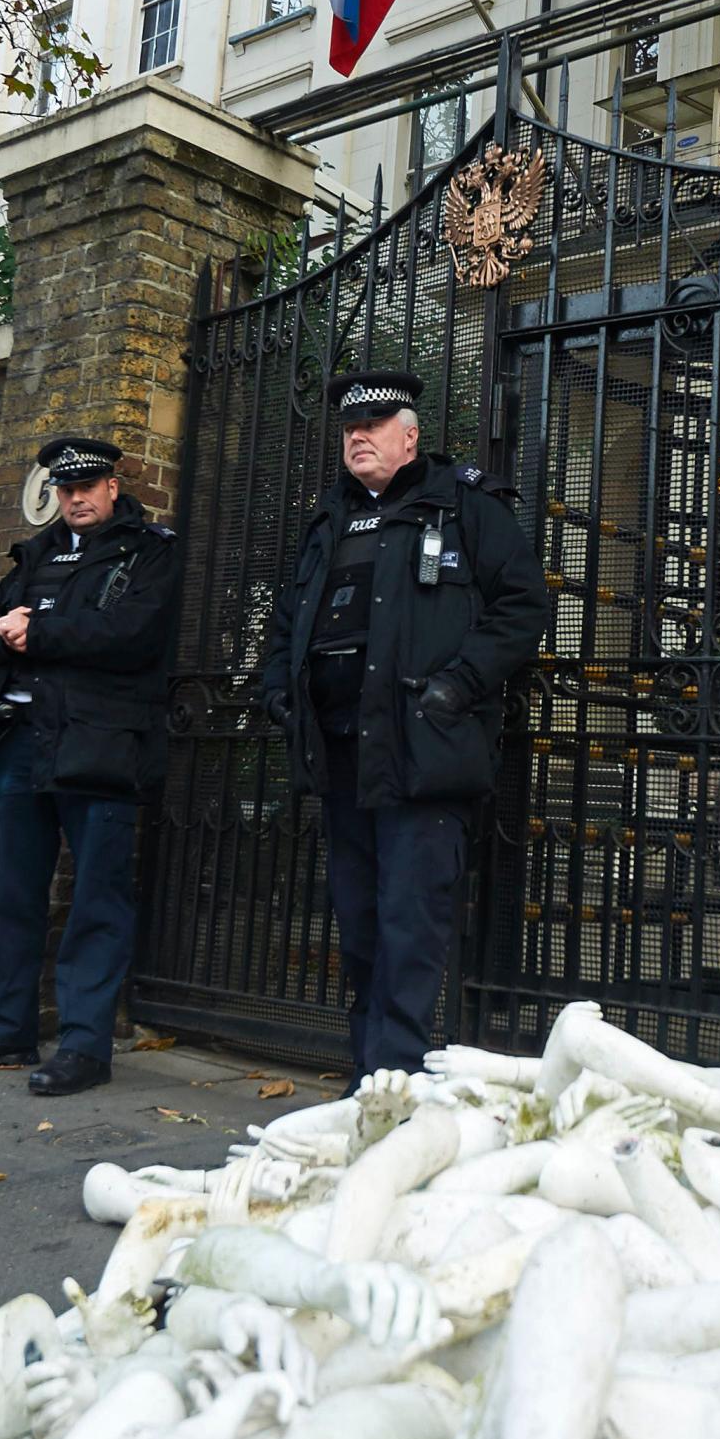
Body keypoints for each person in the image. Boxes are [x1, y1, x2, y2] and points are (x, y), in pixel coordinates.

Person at [259, 371, 547, 1081]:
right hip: (341, 750)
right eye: (350, 426)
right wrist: (278, 691)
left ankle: (393, 1077)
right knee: (358, 923)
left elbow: (522, 607)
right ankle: (371, 1075)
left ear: (410, 435)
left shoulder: (465, 507)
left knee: (408, 925)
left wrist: (459, 684)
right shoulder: (329, 519)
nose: (358, 434)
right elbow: (288, 620)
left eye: (375, 422)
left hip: (424, 750)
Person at [0, 436, 182, 1097]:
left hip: (98, 745)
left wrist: (35, 631)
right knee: (15, 896)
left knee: (97, 900)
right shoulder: (36, 554)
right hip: (18, 744)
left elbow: (130, 635)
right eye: (65, 488)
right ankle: (7, 1026)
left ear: (111, 487)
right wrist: (2, 631)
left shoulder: (150, 553)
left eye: (87, 485)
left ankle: (83, 1045)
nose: (74, 497)